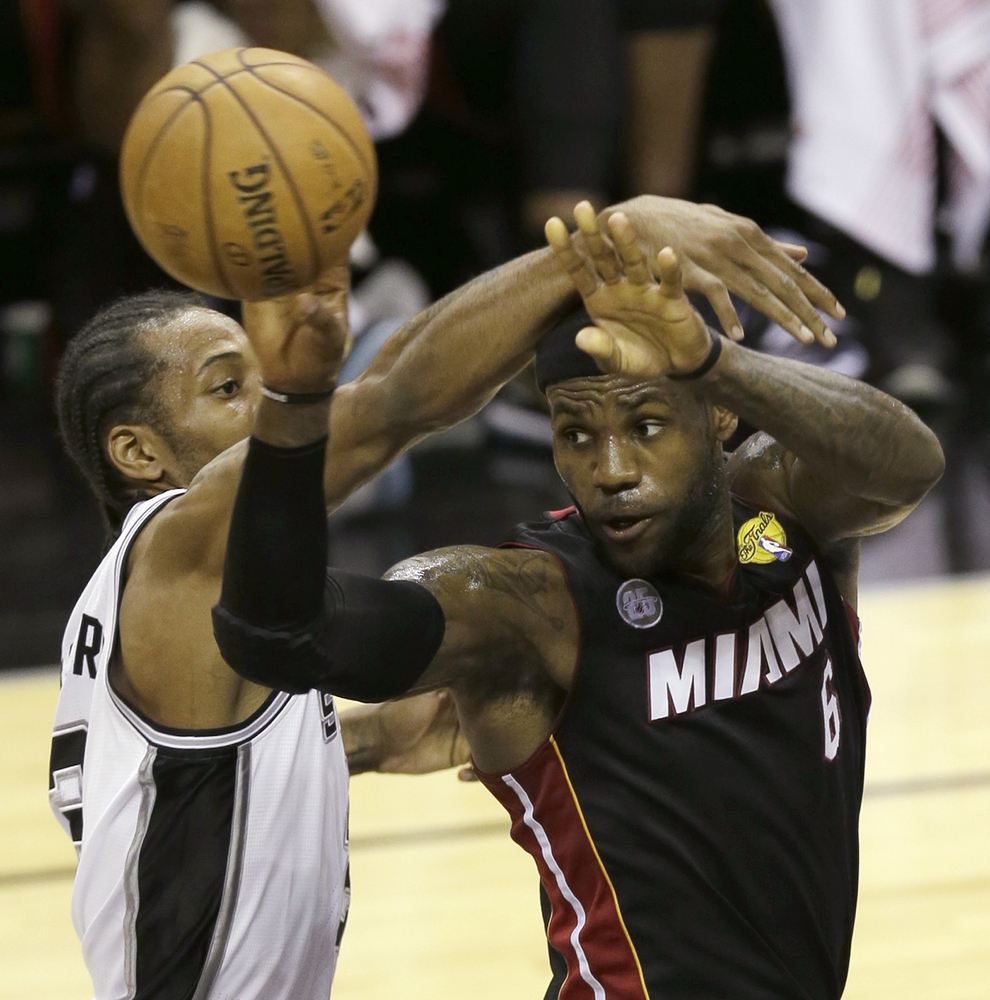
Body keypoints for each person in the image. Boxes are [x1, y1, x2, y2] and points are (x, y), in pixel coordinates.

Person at [48, 196, 839, 999]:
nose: (265, 406)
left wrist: (351, 745)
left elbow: (183, 795)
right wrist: (610, 240)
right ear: (138, 452)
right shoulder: (182, 545)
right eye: (228, 389)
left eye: (261, 378)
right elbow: (396, 398)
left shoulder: (129, 608)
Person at [216, 208, 944, 999]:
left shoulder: (787, 509)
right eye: (576, 433)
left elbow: (911, 464)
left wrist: (713, 361)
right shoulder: (527, 607)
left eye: (648, 423)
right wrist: (292, 412)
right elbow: (285, 635)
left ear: (719, 415)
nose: (612, 468)